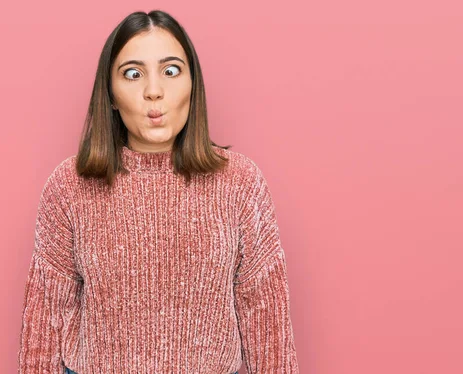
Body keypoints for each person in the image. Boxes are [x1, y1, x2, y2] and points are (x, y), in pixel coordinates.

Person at [17, 9, 299, 374]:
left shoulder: (240, 184)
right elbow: (44, 325)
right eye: (133, 74)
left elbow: (268, 326)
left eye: (170, 71)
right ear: (112, 96)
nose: (154, 91)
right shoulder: (70, 186)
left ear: (193, 84)